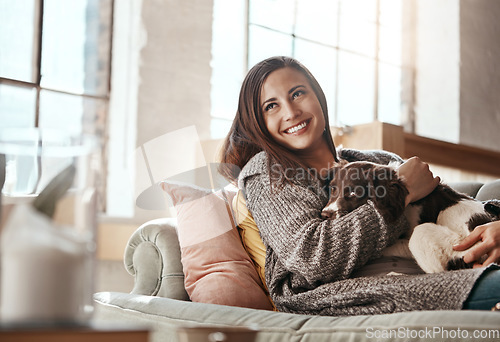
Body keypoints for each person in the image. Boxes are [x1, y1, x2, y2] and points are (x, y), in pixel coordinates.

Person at [218, 56, 500, 316]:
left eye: (297, 93)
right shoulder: (267, 171)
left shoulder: (378, 160)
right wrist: (402, 192)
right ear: (259, 122)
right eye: (271, 106)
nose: (291, 111)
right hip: (367, 290)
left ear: (318, 96)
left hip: (450, 258)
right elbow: (313, 257)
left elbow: (449, 204)